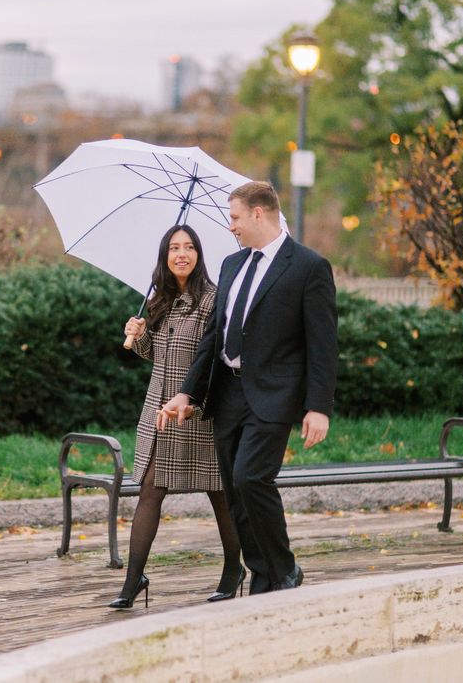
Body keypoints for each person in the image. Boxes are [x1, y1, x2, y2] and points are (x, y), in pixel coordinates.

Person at [157, 182, 337, 595]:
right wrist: (188, 392)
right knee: (235, 489)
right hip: (227, 394)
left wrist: (318, 407)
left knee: (251, 477)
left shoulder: (309, 267)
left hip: (274, 395)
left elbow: (323, 344)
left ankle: (285, 569)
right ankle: (262, 573)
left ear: (259, 214)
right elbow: (213, 336)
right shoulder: (231, 265)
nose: (230, 225)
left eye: (235, 217)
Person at [108, 224, 242, 609]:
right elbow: (163, 359)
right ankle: (133, 581)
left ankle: (234, 570)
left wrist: (194, 402)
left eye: (188, 247)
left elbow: (212, 360)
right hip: (159, 413)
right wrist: (140, 335)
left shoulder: (213, 301)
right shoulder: (161, 301)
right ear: (165, 257)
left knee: (220, 496)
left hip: (197, 414)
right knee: (149, 491)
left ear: (199, 255)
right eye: (173, 248)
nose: (181, 254)